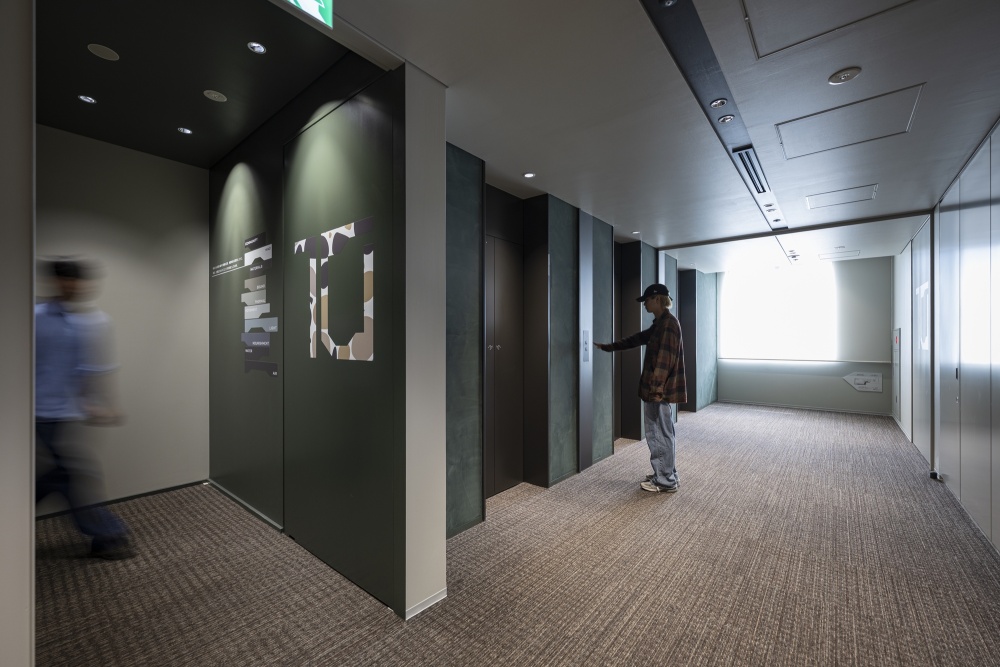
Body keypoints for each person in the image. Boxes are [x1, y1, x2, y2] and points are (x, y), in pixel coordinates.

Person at [36, 257, 132, 559]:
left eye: (77, 280)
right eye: (66, 279)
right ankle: (109, 535)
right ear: (55, 282)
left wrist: (105, 405)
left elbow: (93, 369)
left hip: (70, 414)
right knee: (71, 475)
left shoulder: (95, 322)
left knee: (60, 477)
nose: (73, 286)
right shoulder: (35, 318)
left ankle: (108, 536)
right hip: (39, 413)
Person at [595, 283, 687, 493]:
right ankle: (666, 473)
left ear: (657, 299)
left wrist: (655, 392)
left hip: (658, 392)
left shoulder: (668, 325)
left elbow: (664, 362)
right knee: (661, 432)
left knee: (659, 433)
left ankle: (665, 480)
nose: (644, 304)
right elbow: (637, 339)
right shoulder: (661, 324)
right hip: (656, 391)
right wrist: (609, 347)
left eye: (646, 300)